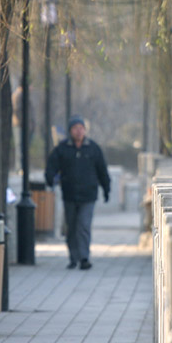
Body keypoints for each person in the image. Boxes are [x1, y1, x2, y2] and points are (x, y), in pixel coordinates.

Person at [45, 114, 110, 270]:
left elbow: (102, 170)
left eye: (81, 128)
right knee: (71, 227)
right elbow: (51, 166)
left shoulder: (93, 148)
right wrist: (50, 179)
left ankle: (84, 257)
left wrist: (106, 188)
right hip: (70, 194)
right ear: (70, 131)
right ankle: (73, 257)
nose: (79, 131)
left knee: (84, 226)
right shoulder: (62, 149)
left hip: (88, 195)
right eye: (75, 128)